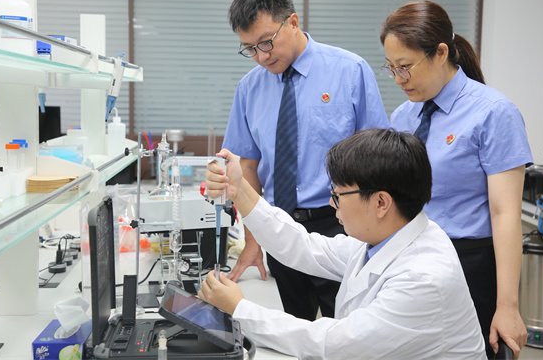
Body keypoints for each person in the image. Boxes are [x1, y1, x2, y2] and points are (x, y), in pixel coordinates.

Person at [200, 129, 485, 360]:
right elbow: (304, 246)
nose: (331, 202)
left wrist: (240, 310)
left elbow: (334, 344)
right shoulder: (388, 235)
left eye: (338, 195)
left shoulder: (423, 278)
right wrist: (238, 189)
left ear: (381, 202)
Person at [222, 0, 388, 322]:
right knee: (295, 328)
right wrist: (254, 240)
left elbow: (379, 160)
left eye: (266, 42)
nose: (261, 56)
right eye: (250, 48)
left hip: (341, 225)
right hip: (279, 225)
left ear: (293, 22)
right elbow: (248, 168)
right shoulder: (249, 88)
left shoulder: (350, 72)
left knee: (347, 329)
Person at [381, 0, 532, 358]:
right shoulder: (403, 116)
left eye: (405, 67)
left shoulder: (493, 113)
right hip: (410, 260)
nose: (399, 79)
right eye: (391, 68)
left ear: (441, 53)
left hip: (468, 264)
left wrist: (508, 306)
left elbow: (505, 214)